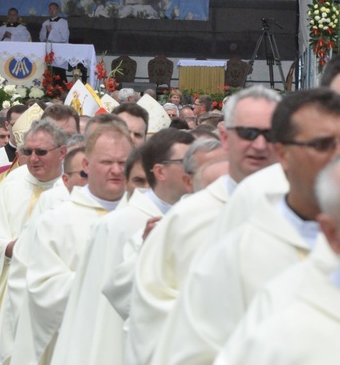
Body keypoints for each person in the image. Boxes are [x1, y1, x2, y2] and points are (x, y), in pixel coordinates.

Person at [153, 89, 340, 365]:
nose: (337, 156)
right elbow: (191, 354)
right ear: (283, 154)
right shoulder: (236, 254)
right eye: (323, 145)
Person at [127, 86, 280, 365]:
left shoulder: (307, 210)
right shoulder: (185, 219)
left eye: (269, 134)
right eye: (247, 133)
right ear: (224, 136)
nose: (259, 144)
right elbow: (149, 310)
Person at [52, 128, 192, 365]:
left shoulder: (196, 216)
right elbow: (105, 301)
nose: (194, 168)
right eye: (186, 162)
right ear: (160, 171)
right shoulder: (117, 225)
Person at [12, 122, 136, 364]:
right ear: (87, 165)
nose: (116, 170)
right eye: (107, 162)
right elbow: (40, 290)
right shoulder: (55, 221)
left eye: (123, 163)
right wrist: (104, 278)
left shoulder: (144, 218)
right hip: (74, 344)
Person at [0, 120, 68, 364]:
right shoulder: (12, 182)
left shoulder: (72, 190)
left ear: (62, 152)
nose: (33, 158)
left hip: (56, 297)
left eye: (41, 152)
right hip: (7, 290)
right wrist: (9, 248)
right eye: (27, 151)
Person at [38, 2, 70, 79]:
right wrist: (47, 33)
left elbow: (64, 37)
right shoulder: (45, 22)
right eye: (50, 9)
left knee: (59, 71)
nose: (51, 11)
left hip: (59, 50)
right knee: (49, 70)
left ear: (57, 10)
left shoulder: (63, 22)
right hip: (48, 50)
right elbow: (41, 37)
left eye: (53, 9)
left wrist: (51, 32)